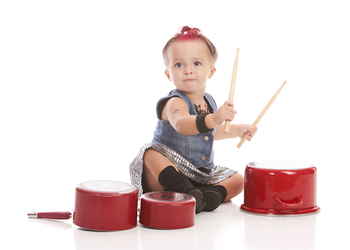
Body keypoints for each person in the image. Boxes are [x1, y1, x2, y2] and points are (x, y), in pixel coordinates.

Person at [130, 26, 257, 213]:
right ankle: (185, 192)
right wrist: (214, 118)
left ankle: (209, 196)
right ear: (168, 74)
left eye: (196, 63)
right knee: (150, 153)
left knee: (238, 180)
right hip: (167, 176)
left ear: (211, 71)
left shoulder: (209, 102)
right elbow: (182, 125)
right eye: (179, 65)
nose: (188, 70)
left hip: (200, 176)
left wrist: (237, 130)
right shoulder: (174, 102)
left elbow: (209, 132)